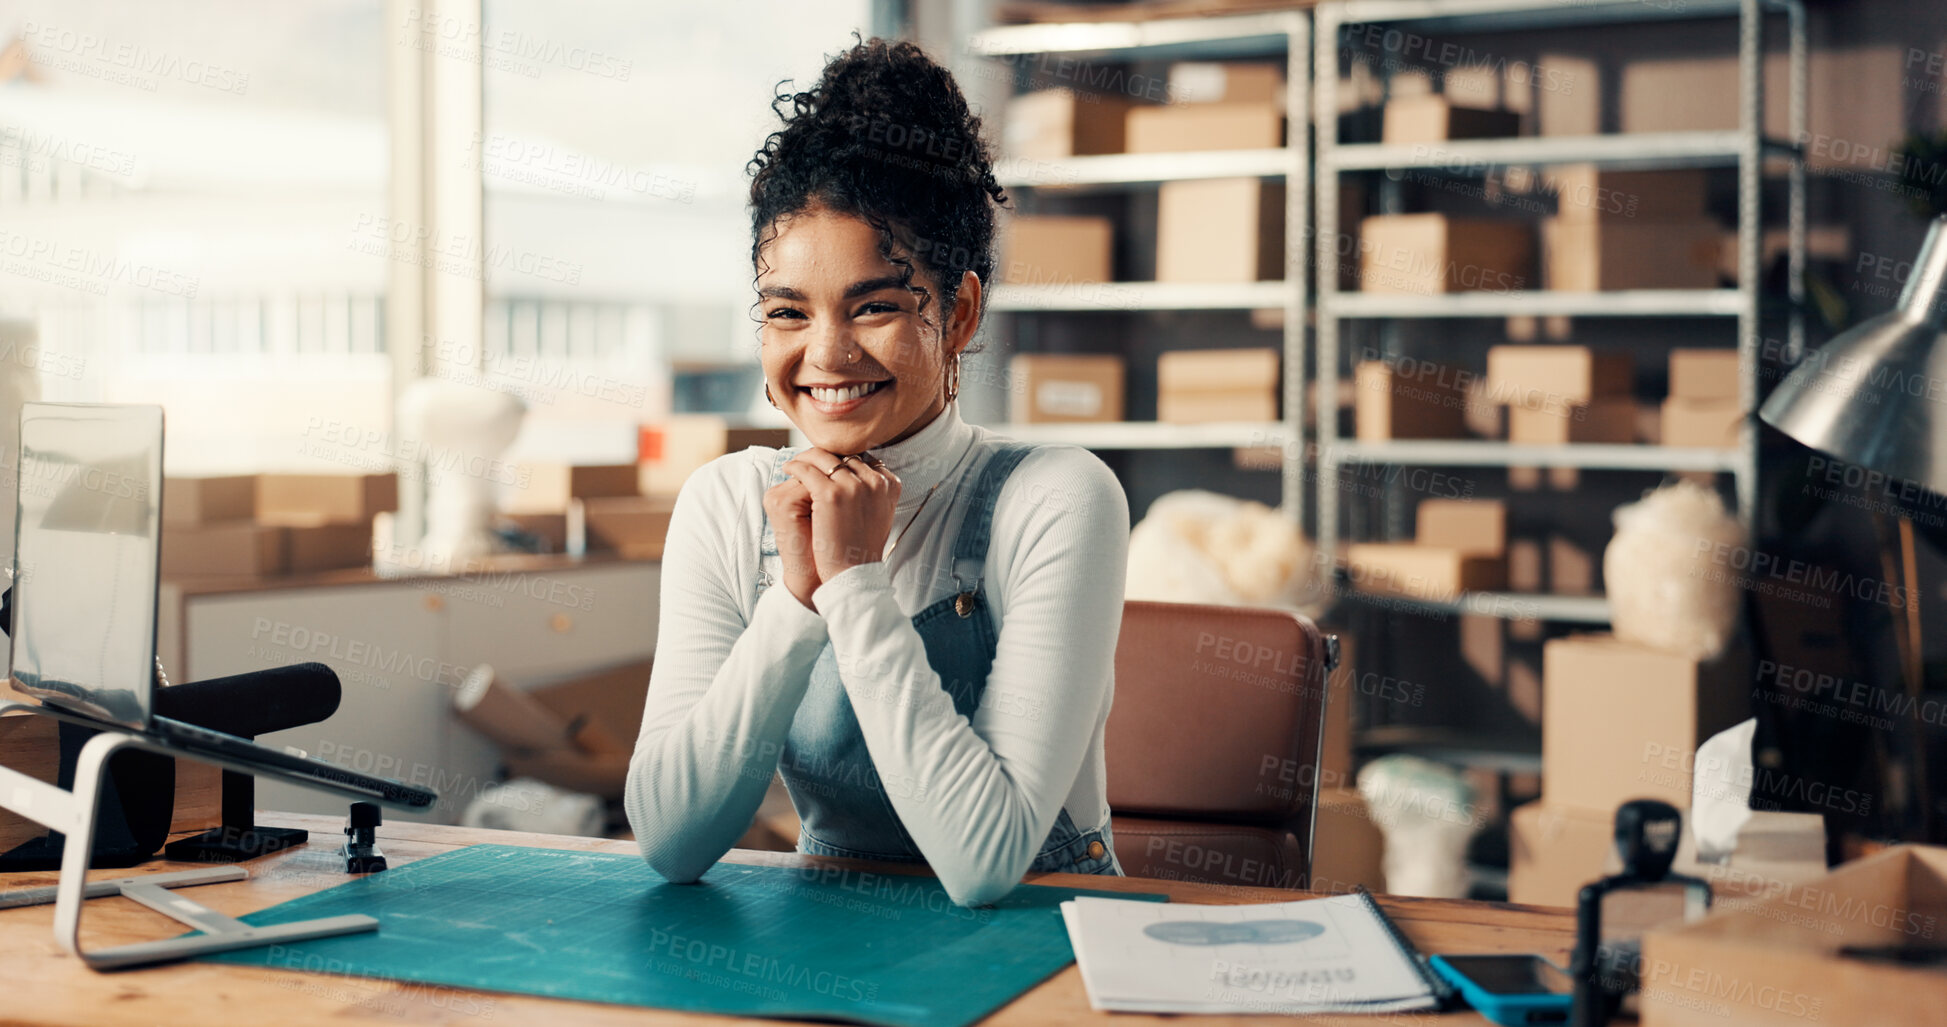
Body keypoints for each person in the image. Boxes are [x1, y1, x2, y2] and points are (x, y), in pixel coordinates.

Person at [624, 36, 1130, 907]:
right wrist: (792, 600)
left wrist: (854, 583)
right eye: (788, 310)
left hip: (1045, 945)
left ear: (960, 312)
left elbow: (985, 860)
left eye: (876, 306)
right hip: (825, 937)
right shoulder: (726, 499)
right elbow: (669, 840)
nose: (826, 354)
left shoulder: (1057, 497)